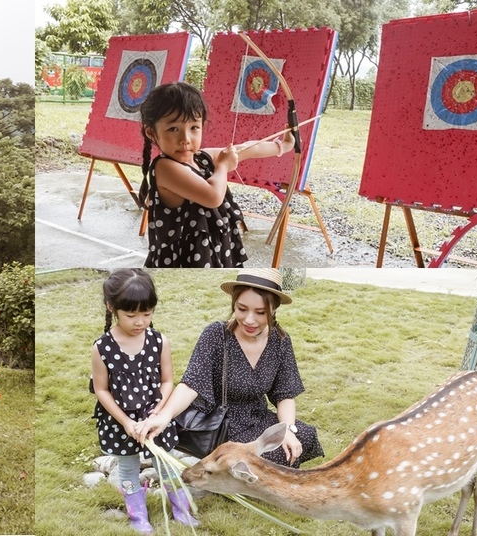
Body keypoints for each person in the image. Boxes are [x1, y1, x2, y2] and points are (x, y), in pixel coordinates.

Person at [135, 268, 323, 469]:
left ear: (274, 309)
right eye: (242, 309)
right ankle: (224, 472)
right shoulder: (216, 334)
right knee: (264, 460)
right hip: (220, 423)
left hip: (255, 417)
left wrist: (286, 430)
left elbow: (284, 394)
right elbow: (192, 384)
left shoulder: (280, 341)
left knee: (303, 436)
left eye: (260, 312)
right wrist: (164, 416)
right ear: (234, 304)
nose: (249, 320)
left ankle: (234, 473)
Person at [137, 82, 296, 268]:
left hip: (213, 252)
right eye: (173, 129)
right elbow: (212, 197)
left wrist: (283, 146)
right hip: (183, 262)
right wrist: (222, 166)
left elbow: (245, 149)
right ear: (151, 132)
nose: (185, 139)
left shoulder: (201, 158)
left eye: (194, 127)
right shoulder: (165, 168)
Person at [90, 268, 197, 534]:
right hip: (121, 422)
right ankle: (138, 517)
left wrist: (157, 415)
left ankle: (181, 510)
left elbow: (167, 382)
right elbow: (101, 390)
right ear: (111, 307)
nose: (140, 322)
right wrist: (126, 422)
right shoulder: (102, 347)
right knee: (127, 469)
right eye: (131, 315)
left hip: (155, 419)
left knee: (168, 464)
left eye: (147, 314)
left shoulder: (159, 342)